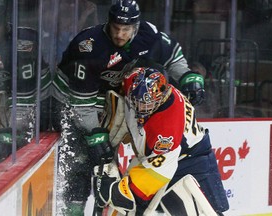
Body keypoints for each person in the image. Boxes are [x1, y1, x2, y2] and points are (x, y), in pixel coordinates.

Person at [51, 0, 205, 214]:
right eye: (116, 28)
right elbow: (80, 104)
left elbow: (173, 57)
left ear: (136, 26)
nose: (120, 35)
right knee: (84, 158)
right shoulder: (89, 46)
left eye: (126, 29)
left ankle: (105, 205)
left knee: (105, 159)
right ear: (108, 23)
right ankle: (71, 210)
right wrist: (94, 134)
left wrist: (187, 75)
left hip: (116, 98)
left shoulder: (149, 35)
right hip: (72, 101)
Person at [94, 67, 229, 215]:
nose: (140, 108)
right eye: (137, 102)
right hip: (157, 156)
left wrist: (116, 192)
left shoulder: (166, 128)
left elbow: (153, 176)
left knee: (207, 212)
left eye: (147, 104)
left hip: (192, 161)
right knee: (135, 210)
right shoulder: (135, 82)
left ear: (161, 96)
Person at [0, 0, 52, 163]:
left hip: (22, 108)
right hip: (1, 106)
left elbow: (31, 97)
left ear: (6, 22)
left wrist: (11, 130)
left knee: (6, 151)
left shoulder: (25, 41)